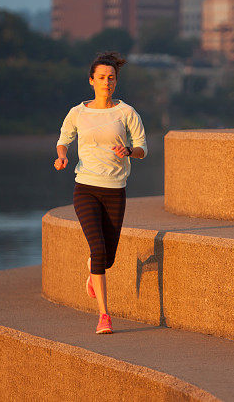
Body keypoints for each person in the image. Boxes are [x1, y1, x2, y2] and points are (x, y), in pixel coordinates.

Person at [54, 51, 147, 334]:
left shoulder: (126, 113)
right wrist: (62, 157)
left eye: (112, 78)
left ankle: (93, 272)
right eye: (102, 78)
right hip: (85, 188)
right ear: (91, 80)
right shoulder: (78, 113)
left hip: (115, 190)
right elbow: (63, 140)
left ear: (116, 82)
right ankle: (104, 316)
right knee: (97, 248)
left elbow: (143, 148)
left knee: (108, 258)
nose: (107, 82)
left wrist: (129, 150)